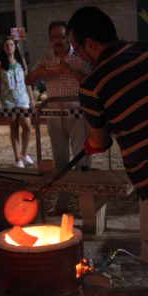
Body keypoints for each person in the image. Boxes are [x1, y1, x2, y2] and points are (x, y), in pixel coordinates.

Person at [67, 6, 148, 262]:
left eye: (76, 49)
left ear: (90, 43)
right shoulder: (144, 51)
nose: (78, 56)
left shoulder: (93, 86)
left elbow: (99, 141)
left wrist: (92, 143)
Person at [25, 20, 91, 214]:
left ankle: (85, 204)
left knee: (82, 160)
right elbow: (28, 80)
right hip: (54, 116)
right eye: (53, 37)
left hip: (77, 115)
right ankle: (61, 204)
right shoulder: (45, 59)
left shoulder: (80, 57)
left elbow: (89, 80)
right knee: (60, 161)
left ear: (68, 36)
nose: (57, 40)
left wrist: (70, 69)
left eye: (61, 36)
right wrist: (38, 72)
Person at [0, 36, 35, 168]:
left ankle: (24, 153)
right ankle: (17, 158)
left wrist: (32, 98)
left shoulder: (20, 61)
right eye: (6, 45)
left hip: (22, 98)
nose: (9, 47)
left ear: (15, 46)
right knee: (14, 127)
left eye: (11, 44)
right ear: (3, 48)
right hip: (8, 100)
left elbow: (27, 81)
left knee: (27, 126)